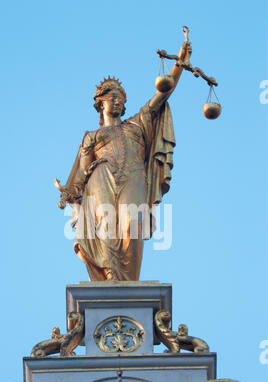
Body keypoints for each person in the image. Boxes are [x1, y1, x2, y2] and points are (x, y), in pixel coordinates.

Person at [57, 40, 192, 281]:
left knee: (134, 222)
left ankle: (128, 280)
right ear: (101, 103)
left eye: (121, 98)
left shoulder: (137, 125)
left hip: (134, 175)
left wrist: (179, 65)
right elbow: (83, 171)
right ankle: (110, 277)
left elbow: (162, 93)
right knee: (104, 225)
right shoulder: (92, 136)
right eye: (113, 97)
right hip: (101, 176)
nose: (118, 101)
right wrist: (71, 191)